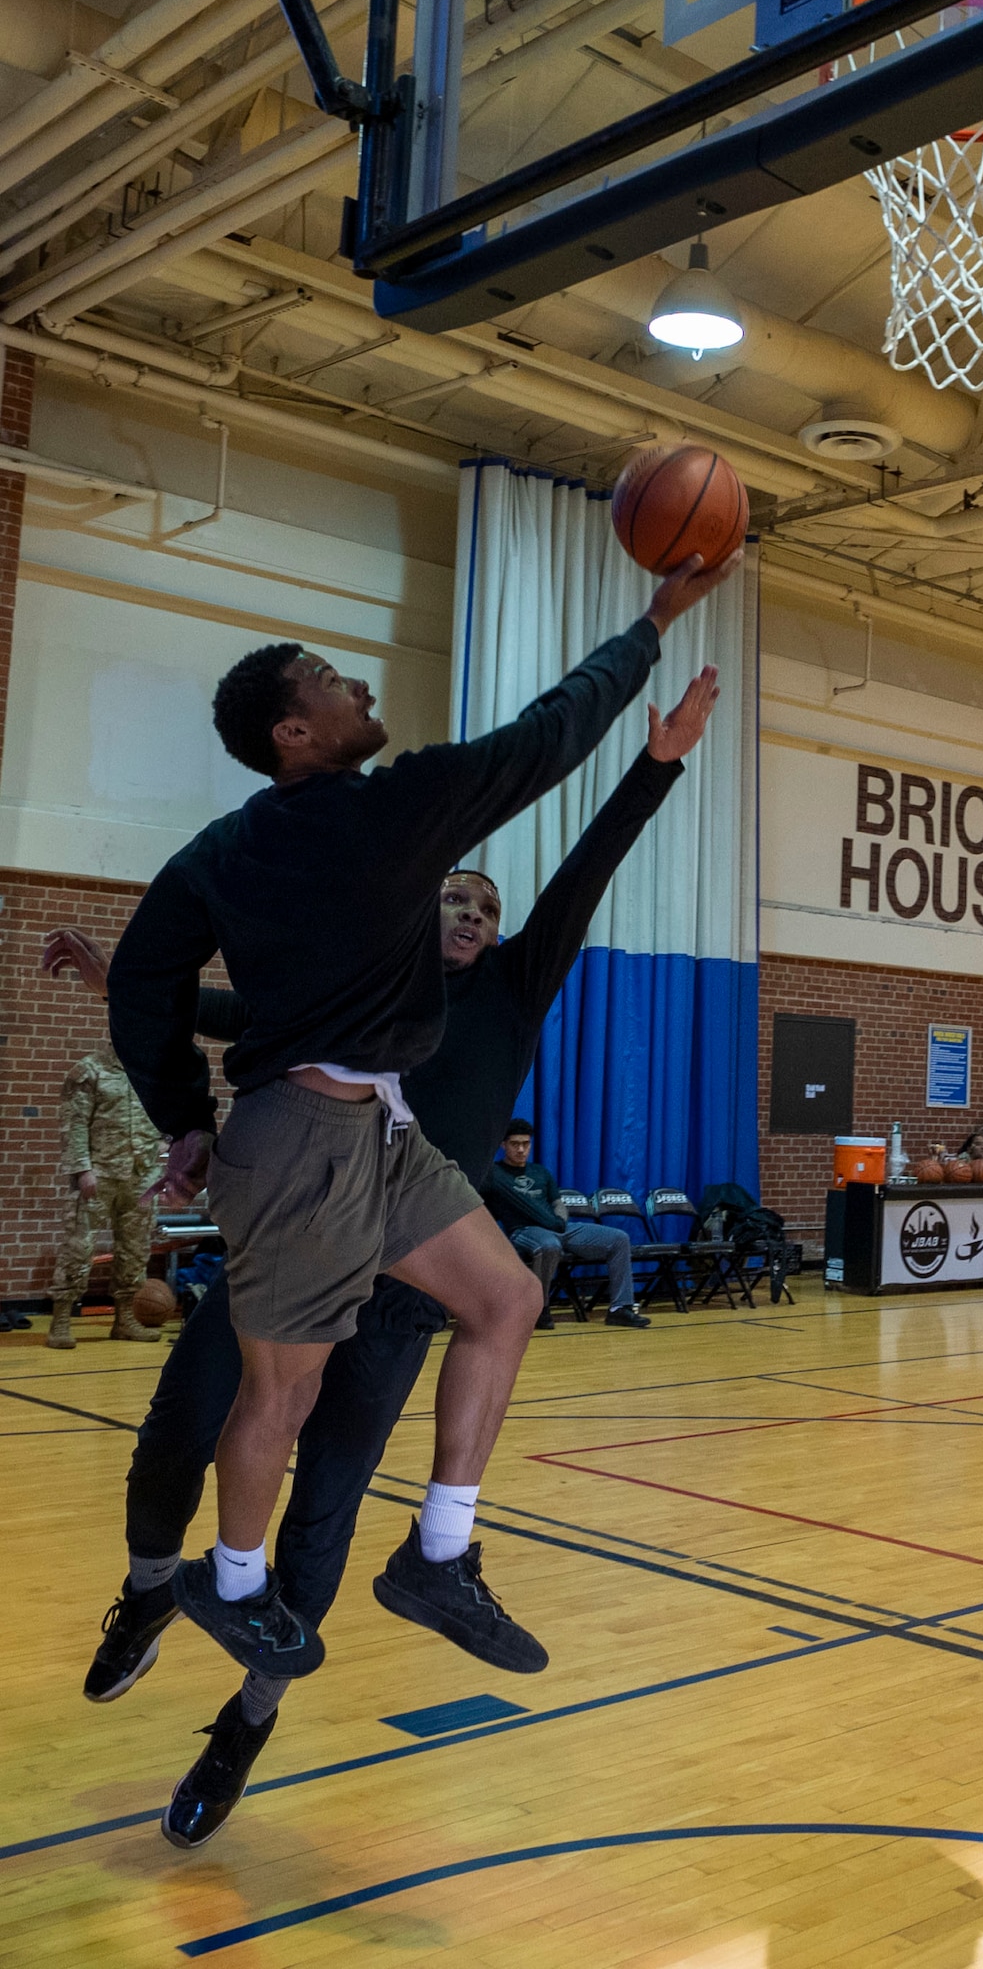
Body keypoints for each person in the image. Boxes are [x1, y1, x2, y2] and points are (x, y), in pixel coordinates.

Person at [73, 674, 715, 1847]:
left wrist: (654, 765)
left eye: (482, 905)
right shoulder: (366, 973)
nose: (467, 916)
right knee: (179, 1429)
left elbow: (586, 867)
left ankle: (246, 1720)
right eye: (451, 898)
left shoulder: (515, 988)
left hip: (401, 1272)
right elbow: (247, 1008)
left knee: (325, 1515)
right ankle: (153, 1584)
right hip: (297, 1207)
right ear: (415, 910)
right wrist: (135, 1003)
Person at [41, 1032, 164, 1348]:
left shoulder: (152, 1071)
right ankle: (61, 1322)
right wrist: (83, 1169)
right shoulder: (88, 1071)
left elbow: (166, 1113)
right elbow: (74, 1123)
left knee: (135, 1250)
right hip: (99, 1175)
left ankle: (124, 1320)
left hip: (141, 1176)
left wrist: (163, 1147)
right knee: (79, 1247)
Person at [484, 1119, 647, 1329]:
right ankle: (539, 1309)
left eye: (526, 1143)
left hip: (559, 1227)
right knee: (549, 1245)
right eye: (515, 1144)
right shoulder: (494, 1175)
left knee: (618, 1238)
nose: (522, 1149)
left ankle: (620, 1308)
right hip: (525, 1230)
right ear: (503, 1145)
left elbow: (557, 1202)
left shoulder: (541, 1172)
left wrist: (560, 1220)